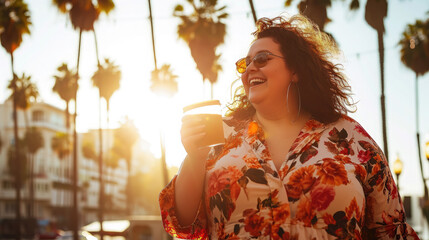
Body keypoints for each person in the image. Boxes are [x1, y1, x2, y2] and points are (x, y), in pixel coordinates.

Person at [159, 14, 419, 239]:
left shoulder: (351, 138)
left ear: (296, 70)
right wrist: (194, 157)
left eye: (261, 58)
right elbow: (180, 223)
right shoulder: (220, 134)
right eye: (245, 63)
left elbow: (391, 231)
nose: (250, 68)